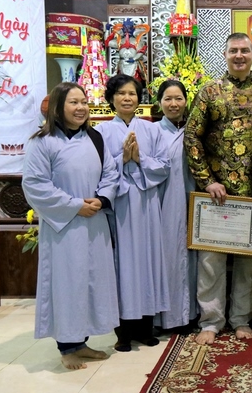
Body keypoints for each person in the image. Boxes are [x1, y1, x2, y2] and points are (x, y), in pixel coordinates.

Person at [184, 32, 252, 345]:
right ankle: (210, 320)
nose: (239, 56)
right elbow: (192, 136)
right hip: (216, 193)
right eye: (233, 50)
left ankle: (241, 319)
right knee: (211, 261)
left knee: (248, 263)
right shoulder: (209, 91)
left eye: (244, 50)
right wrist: (207, 180)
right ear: (225, 54)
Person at [22, 82, 119, 369]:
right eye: (73, 102)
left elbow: (110, 173)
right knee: (68, 284)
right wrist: (75, 205)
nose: (81, 108)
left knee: (90, 283)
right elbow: (35, 185)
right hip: (64, 227)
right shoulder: (43, 142)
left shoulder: (95, 138)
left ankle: (81, 342)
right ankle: (66, 348)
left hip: (94, 222)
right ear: (58, 107)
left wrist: (101, 198)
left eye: (84, 102)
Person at [95, 74, 170, 352]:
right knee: (123, 264)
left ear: (139, 99)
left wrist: (140, 159)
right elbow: (98, 169)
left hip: (146, 203)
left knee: (147, 261)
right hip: (121, 206)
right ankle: (123, 332)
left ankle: (146, 328)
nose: (127, 98)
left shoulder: (151, 130)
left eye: (132, 93)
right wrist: (122, 159)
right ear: (111, 98)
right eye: (121, 93)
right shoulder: (101, 132)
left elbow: (164, 166)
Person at [155, 80, 199, 334]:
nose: (173, 104)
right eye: (168, 99)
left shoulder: (194, 131)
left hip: (192, 200)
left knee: (191, 258)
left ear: (186, 101)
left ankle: (188, 314)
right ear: (159, 102)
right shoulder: (152, 132)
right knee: (166, 257)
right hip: (163, 204)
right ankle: (163, 318)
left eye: (178, 98)